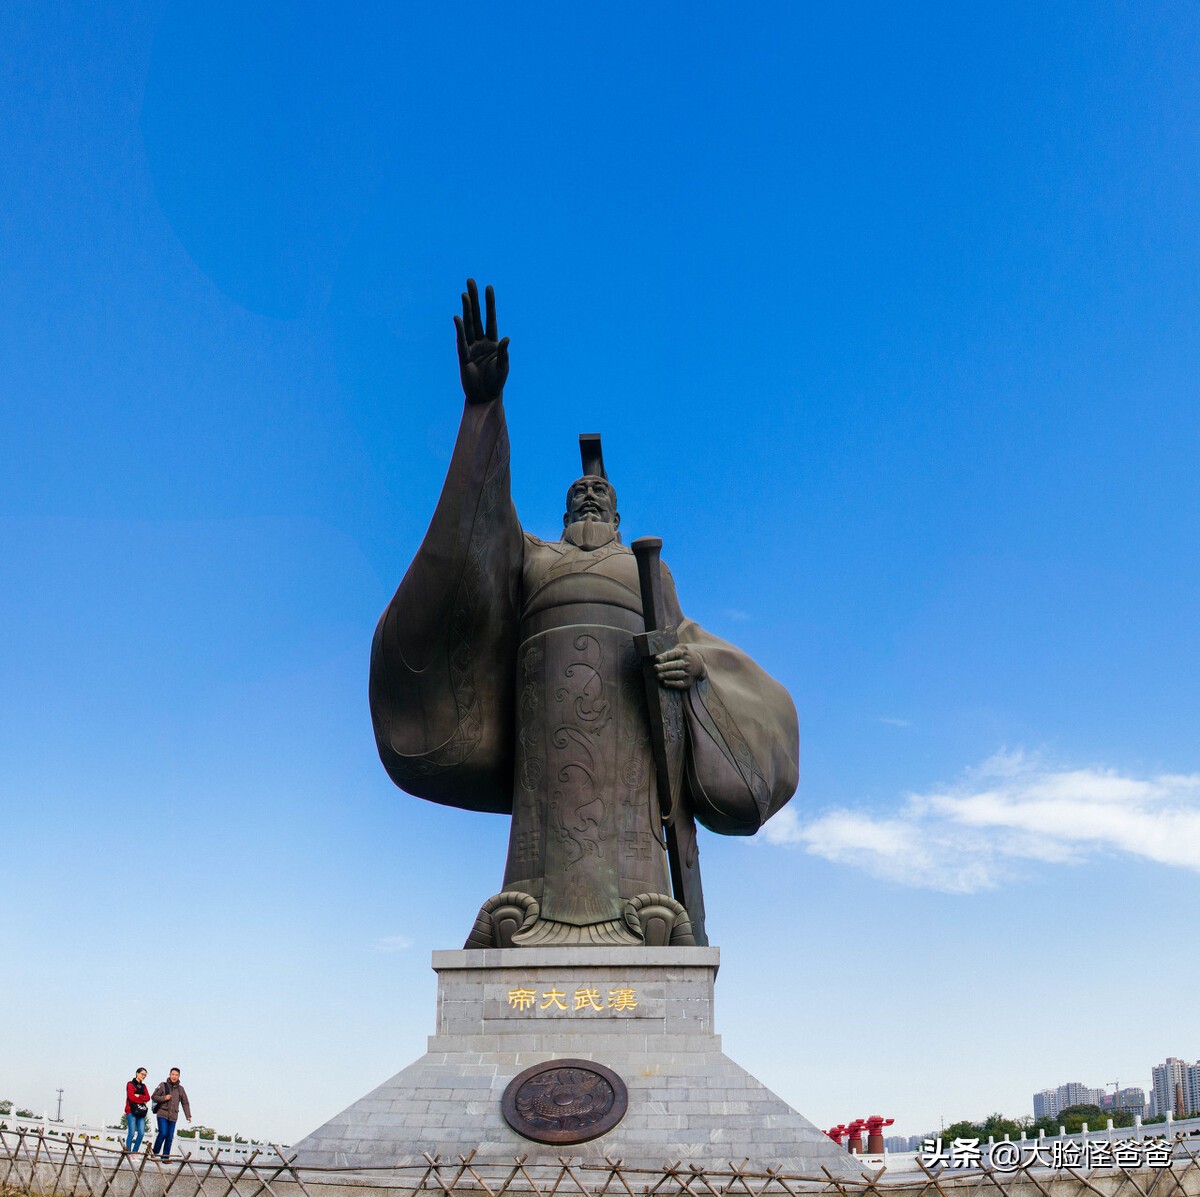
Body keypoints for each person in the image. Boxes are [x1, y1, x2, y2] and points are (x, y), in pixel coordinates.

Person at [369, 281, 799, 948]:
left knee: (629, 836)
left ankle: (639, 909)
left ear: (617, 513)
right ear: (567, 511)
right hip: (545, 730)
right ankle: (533, 908)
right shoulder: (531, 558)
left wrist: (696, 675)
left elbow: (685, 638)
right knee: (543, 835)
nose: (588, 493)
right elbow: (476, 536)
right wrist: (484, 410)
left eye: (599, 490)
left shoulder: (645, 570)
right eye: (579, 491)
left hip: (627, 750)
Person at [150, 1068, 191, 1161]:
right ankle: (154, 1152)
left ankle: (165, 1157)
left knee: (170, 1136)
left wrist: (188, 1115)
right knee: (163, 1133)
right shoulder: (163, 1085)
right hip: (162, 1113)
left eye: (176, 1075)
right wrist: (164, 1098)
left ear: (179, 1076)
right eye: (173, 1074)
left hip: (173, 1116)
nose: (174, 1076)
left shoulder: (181, 1089)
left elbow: (185, 1103)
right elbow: (154, 1097)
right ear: (169, 1074)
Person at [123, 1068, 150, 1153]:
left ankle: (135, 1152)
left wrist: (138, 1096)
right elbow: (131, 1097)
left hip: (141, 1112)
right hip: (131, 1110)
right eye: (142, 1074)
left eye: (145, 1075)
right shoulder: (130, 1084)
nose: (143, 1076)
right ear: (137, 1073)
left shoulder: (144, 1086)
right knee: (131, 1133)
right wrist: (142, 1099)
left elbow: (148, 1097)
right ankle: (128, 1152)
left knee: (141, 1133)